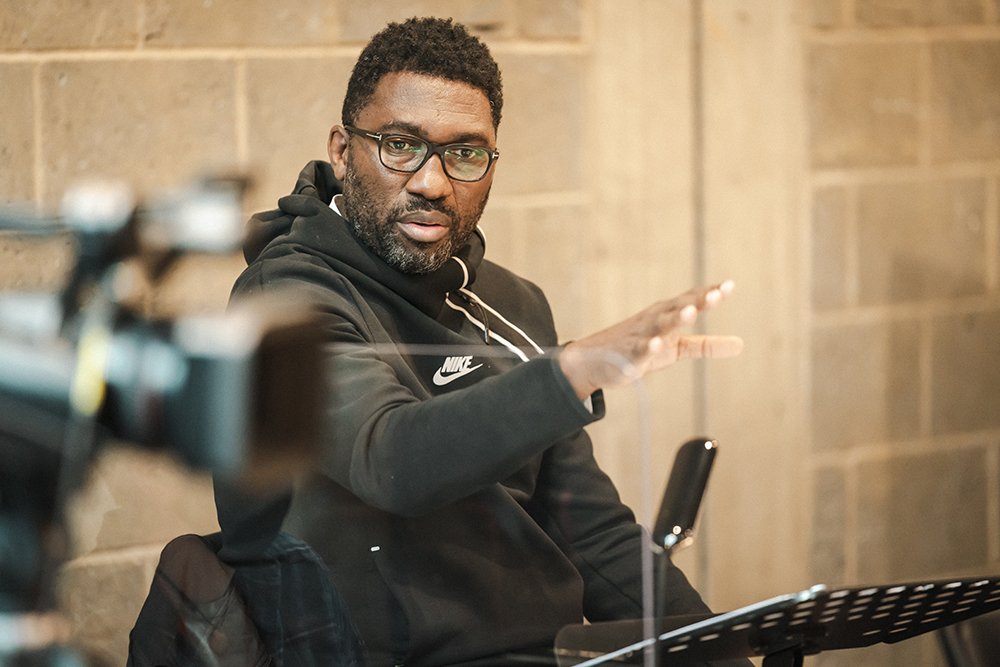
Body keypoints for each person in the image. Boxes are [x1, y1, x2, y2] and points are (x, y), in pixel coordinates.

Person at [217, 16, 746, 667]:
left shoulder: (513, 302)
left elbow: (594, 532)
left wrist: (721, 652)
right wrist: (572, 370)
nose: (432, 182)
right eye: (399, 145)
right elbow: (393, 460)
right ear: (341, 148)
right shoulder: (284, 297)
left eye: (465, 153)